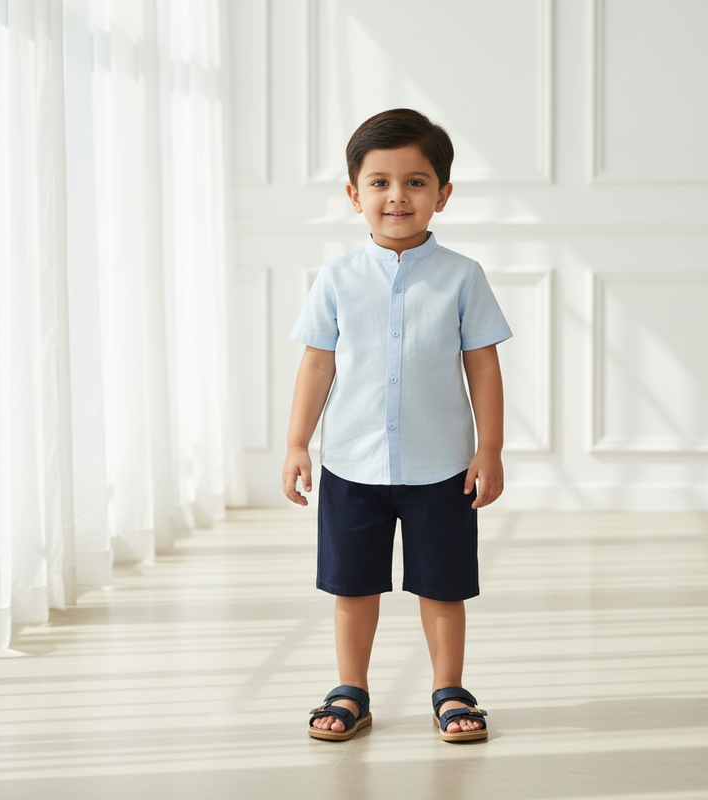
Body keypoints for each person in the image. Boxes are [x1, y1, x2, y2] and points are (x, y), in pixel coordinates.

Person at [282, 108, 512, 743]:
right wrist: (297, 442)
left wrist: (488, 449)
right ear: (355, 194)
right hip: (352, 461)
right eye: (380, 182)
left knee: (443, 587)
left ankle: (450, 690)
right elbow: (316, 361)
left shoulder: (463, 276)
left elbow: (483, 367)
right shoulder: (336, 277)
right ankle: (350, 688)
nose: (397, 196)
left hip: (442, 463)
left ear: (442, 194)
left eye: (415, 182)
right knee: (353, 585)